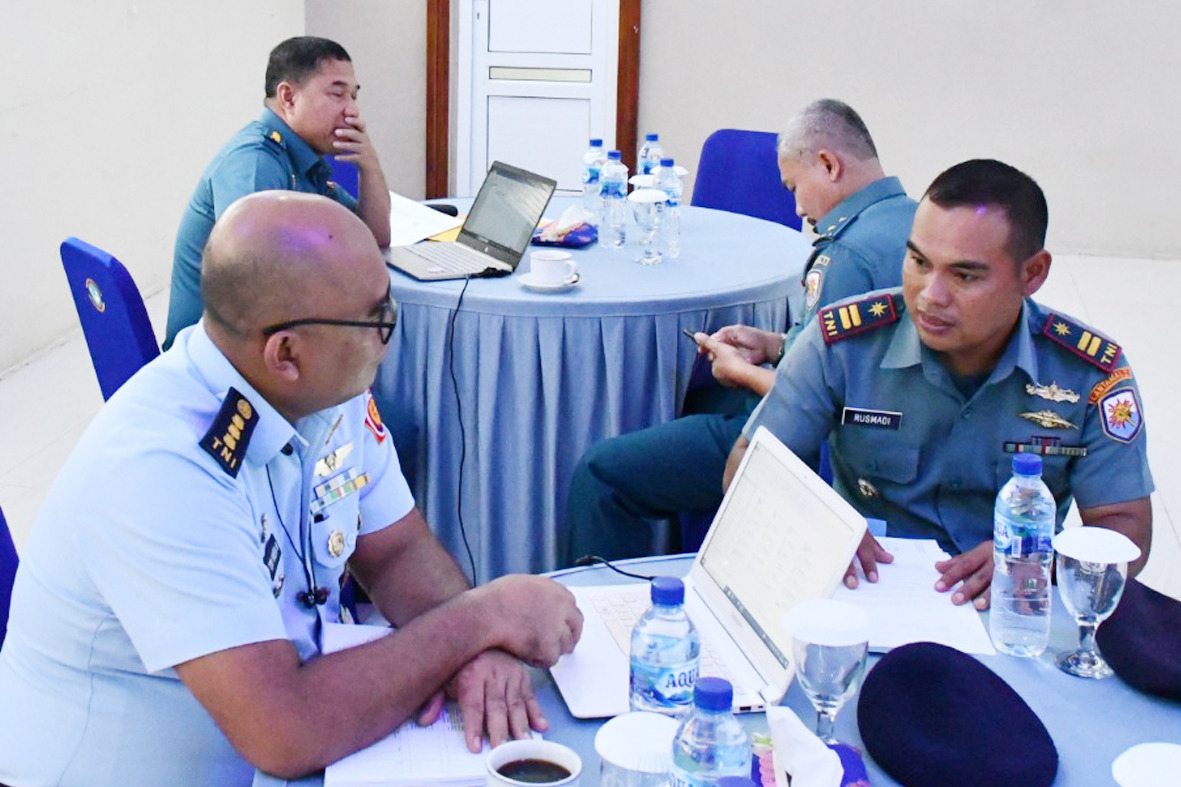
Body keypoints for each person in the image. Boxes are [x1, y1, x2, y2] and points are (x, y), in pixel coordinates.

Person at [0, 192, 582, 787]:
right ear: (286, 353)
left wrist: (474, 653)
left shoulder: (323, 390)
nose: (389, 339)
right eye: (378, 320)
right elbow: (286, 730)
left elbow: (396, 551)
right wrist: (482, 619)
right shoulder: (161, 469)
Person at [727, 159, 1153, 607]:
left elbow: (1125, 527)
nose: (930, 295)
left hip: (1014, 607)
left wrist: (1035, 562)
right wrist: (819, 529)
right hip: (866, 594)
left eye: (964, 275)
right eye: (918, 262)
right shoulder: (844, 345)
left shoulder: (1088, 374)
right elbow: (747, 466)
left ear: (1032, 274)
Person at [564, 99, 916, 564]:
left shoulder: (847, 254)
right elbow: (850, 356)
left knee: (600, 474)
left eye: (794, 187)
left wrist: (741, 371)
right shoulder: (914, 223)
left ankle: (602, 596)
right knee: (695, 403)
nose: (798, 207)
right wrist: (774, 344)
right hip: (878, 442)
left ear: (829, 165)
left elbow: (817, 401)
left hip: (807, 444)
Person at [163, 36, 393, 350]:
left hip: (261, 335)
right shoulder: (255, 162)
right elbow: (254, 278)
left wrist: (370, 166)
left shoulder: (303, 159)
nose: (352, 112)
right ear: (288, 97)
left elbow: (373, 239)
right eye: (338, 94)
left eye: (354, 96)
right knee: (373, 343)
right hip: (216, 353)